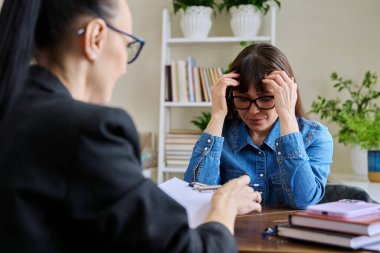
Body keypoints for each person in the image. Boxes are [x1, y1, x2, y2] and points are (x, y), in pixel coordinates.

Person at [0, 0, 263, 252]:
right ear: (96, 37)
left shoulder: (14, 114)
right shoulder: (89, 132)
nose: (124, 69)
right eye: (128, 46)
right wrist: (223, 207)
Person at [184, 43, 334, 209]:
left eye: (265, 98)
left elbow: (303, 200)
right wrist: (217, 115)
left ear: (285, 93)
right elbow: (194, 199)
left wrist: (287, 115)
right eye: (243, 98)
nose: (253, 110)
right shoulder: (220, 137)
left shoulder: (315, 137)